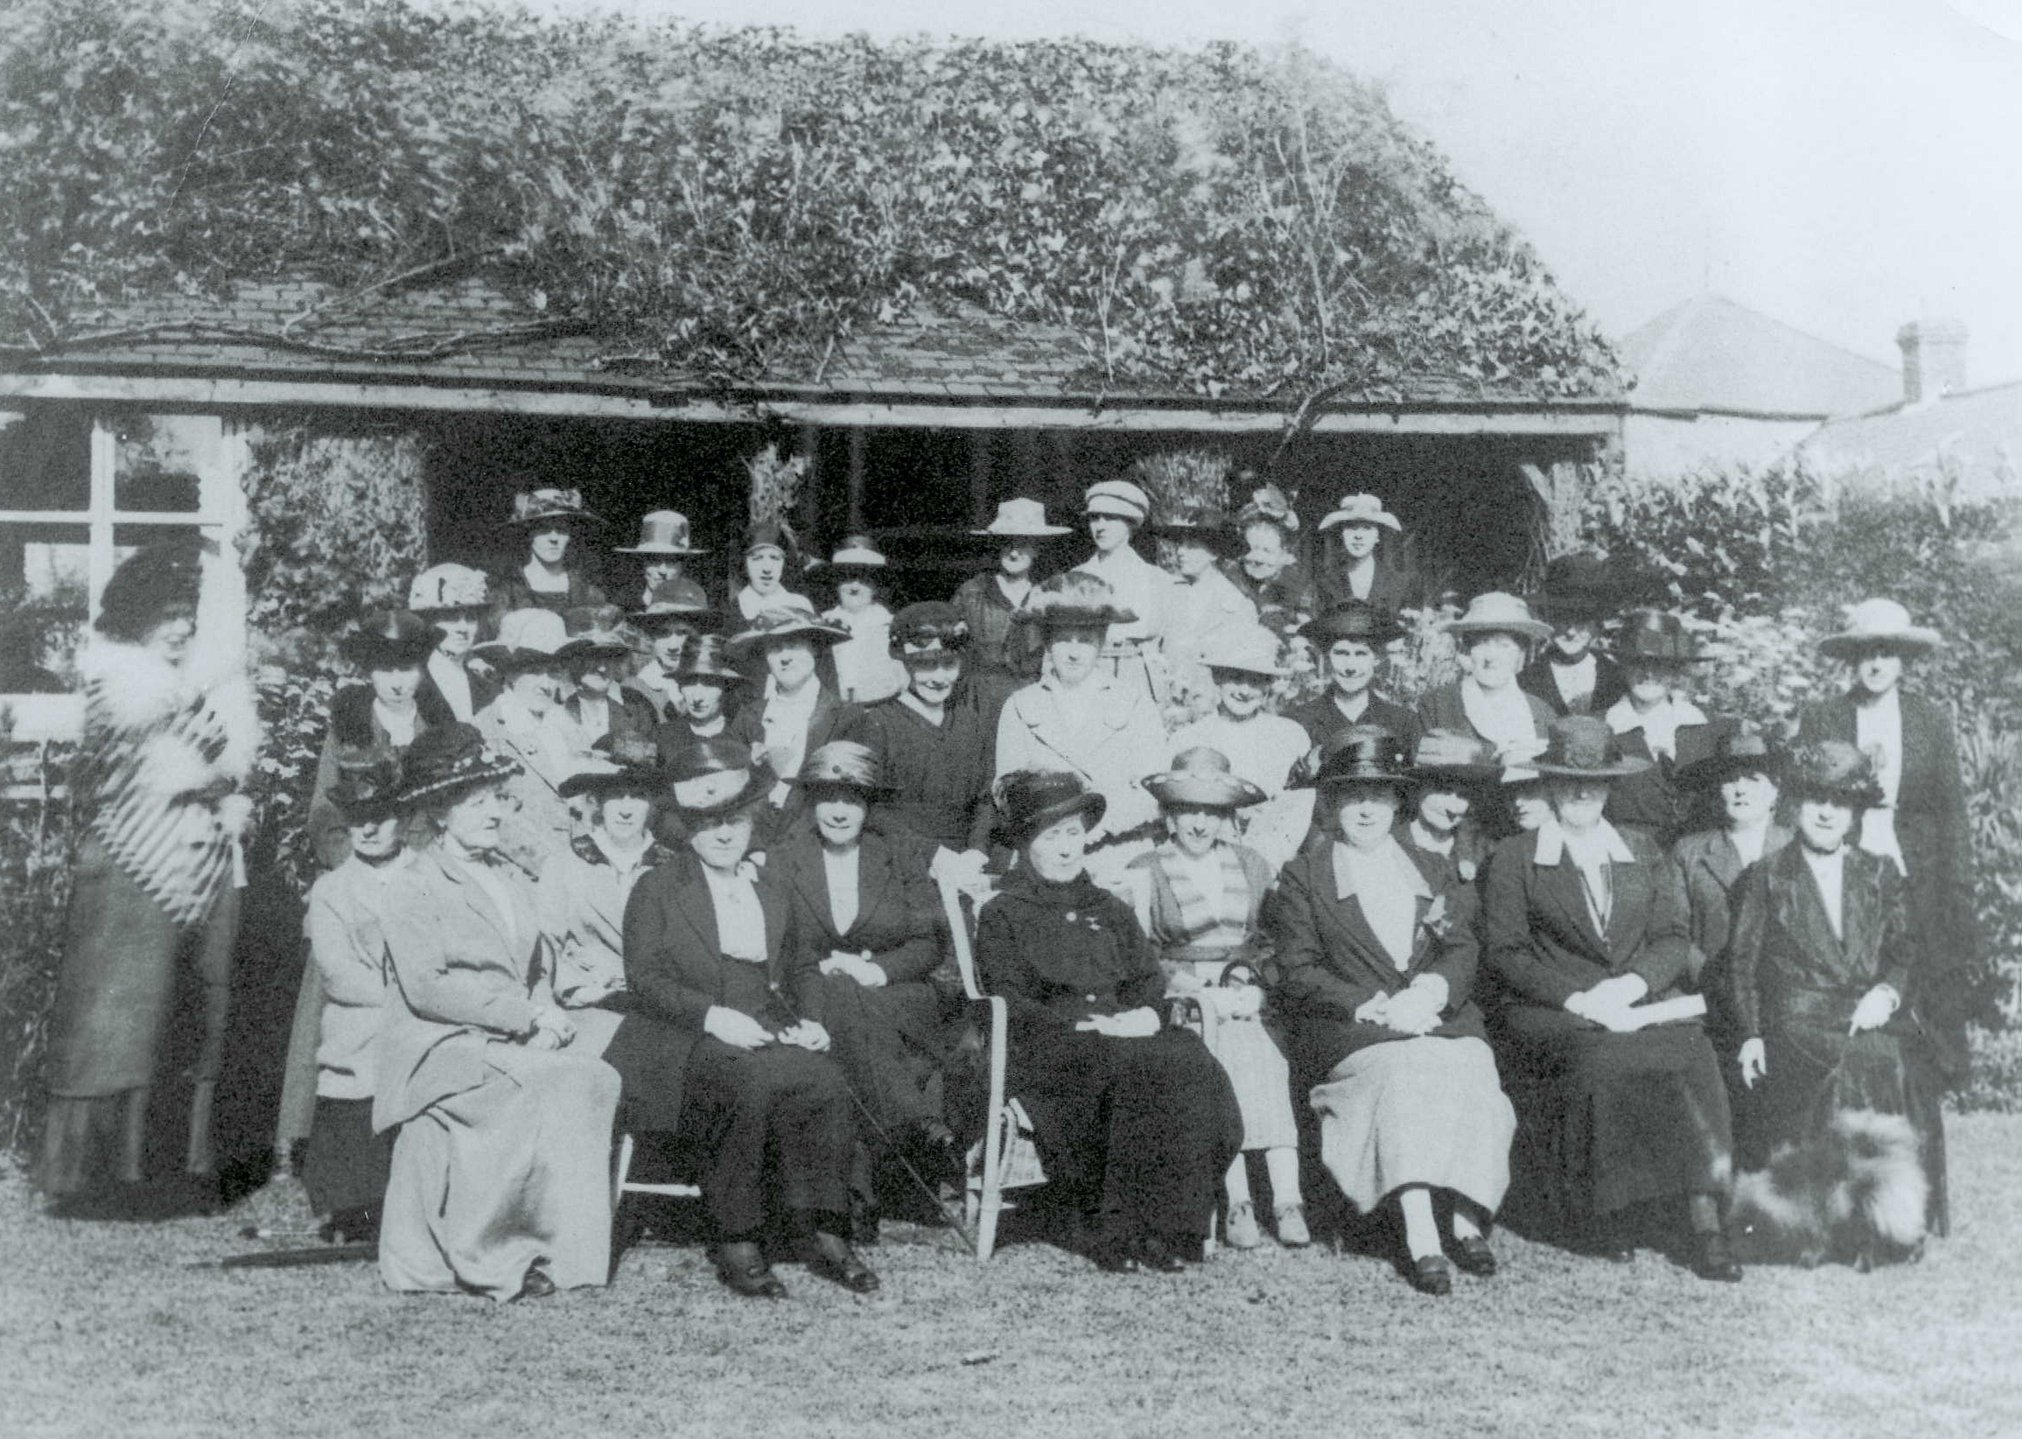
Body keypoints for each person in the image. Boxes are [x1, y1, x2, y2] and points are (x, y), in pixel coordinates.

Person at [602, 739, 875, 1298]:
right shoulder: (658, 887)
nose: (725, 834)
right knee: (745, 1079)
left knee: (823, 1079)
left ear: (752, 822)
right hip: (679, 1031)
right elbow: (646, 979)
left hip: (761, 1019)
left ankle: (825, 1228)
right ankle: (738, 1236)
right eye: (709, 824)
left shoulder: (772, 886)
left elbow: (800, 965)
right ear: (687, 829)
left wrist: (813, 1019)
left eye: (735, 821)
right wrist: (710, 1016)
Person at [38, 543, 259, 1212]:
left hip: (204, 862)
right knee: (119, 1017)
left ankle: (172, 1169)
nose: (180, 627)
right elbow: (194, 755)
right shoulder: (118, 682)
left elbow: (230, 757)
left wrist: (219, 766)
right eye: (166, 615)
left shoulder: (192, 689)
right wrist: (215, 765)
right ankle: (101, 1177)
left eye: (187, 615)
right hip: (133, 868)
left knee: (191, 1014)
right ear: (134, 619)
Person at [1480, 716, 1740, 1281]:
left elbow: (1673, 937)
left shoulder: (1642, 850)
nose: (1580, 792)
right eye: (1569, 780)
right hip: (1551, 1008)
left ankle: (1705, 1217)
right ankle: (1609, 1211)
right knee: (1602, 1055)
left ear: (1609, 786)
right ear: (1548, 784)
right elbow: (1505, 953)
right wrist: (1579, 998)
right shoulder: (1516, 858)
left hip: (1635, 998)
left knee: (1689, 1051)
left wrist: (1632, 985)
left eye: (1593, 782)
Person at [373, 723, 620, 1301]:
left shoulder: (508, 877)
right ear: (438, 812)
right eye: (475, 802)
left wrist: (542, 1004)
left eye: (495, 800)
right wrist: (524, 1019)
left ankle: (568, 1255)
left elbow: (536, 966)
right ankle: (494, 1254)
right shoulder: (411, 884)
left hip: (504, 1033)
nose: (493, 814)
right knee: (573, 1078)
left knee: (604, 1063)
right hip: (438, 1046)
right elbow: (428, 989)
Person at [1269, 727, 1516, 1294]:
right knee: (1405, 1075)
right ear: (1330, 802)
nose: (1365, 809)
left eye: (1378, 797)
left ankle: (1465, 1214)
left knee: (1469, 1064)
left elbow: (1461, 945)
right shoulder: (1305, 876)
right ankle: (1422, 1231)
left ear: (1396, 802)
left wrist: (1430, 990)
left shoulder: (1429, 869)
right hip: (1352, 1029)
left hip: (1432, 1016)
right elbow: (1298, 970)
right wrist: (1371, 1005)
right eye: (1352, 796)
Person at [973, 769, 1241, 1273]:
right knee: (1133, 1067)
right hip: (1052, 1048)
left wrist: (1145, 1013)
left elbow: (1147, 979)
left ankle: (1172, 1226)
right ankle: (1117, 1229)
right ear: (1027, 844)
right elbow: (1008, 998)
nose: (1066, 848)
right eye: (1052, 836)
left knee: (1187, 1056)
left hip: (1125, 1034)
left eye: (1073, 834)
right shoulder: (1004, 913)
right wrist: (1083, 1027)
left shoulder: (1109, 907)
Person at [1728, 741, 1948, 1241]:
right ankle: (1839, 1216)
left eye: (1841, 802)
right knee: (1860, 1059)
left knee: (1899, 1057)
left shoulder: (1880, 873)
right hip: (1797, 1016)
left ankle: (1892, 1214)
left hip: (1864, 1008)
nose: (1827, 812)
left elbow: (1906, 951)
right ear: (1796, 805)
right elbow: (1741, 964)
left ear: (1856, 812)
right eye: (1815, 799)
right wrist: (1750, 1034)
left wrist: (1887, 993)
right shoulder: (1767, 877)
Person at [772, 742, 961, 1230]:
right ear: (811, 802)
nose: (839, 811)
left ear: (869, 805)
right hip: (814, 996)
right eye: (828, 798)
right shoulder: (783, 858)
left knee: (849, 1003)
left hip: (897, 997)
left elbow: (927, 943)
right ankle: (912, 1127)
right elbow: (782, 949)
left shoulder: (896, 856)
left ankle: (857, 1198)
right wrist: (832, 974)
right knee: (839, 999)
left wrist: (873, 970)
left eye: (852, 799)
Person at [1796, 598, 1984, 1090]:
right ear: (1850, 660)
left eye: (1887, 653)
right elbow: (1803, 797)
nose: (1876, 664)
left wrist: (1957, 885)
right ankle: (1858, 1073)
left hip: (1914, 860)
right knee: (1860, 960)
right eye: (1866, 653)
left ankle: (1934, 1076)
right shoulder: (1824, 717)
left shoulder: (1929, 720)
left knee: (1924, 961)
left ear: (1904, 661)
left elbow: (1952, 812)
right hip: (1849, 855)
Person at [1126, 749, 1307, 1251]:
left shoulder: (1251, 863)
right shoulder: (1146, 868)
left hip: (1244, 991)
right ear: (1169, 814)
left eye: (1211, 811)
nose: (1199, 822)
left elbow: (1271, 939)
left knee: (1264, 1054)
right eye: (1188, 809)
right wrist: (1187, 986)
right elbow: (1141, 951)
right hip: (1184, 997)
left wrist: (1255, 984)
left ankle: (1288, 1199)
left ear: (1227, 816)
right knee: (1221, 1056)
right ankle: (1238, 1200)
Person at [299, 749, 409, 1243]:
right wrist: (400, 1000)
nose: (369, 830)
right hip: (365, 1014)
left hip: (427, 1014)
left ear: (402, 816)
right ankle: (355, 1206)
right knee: (356, 1058)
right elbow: (339, 974)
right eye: (359, 820)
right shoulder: (333, 891)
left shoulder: (429, 876)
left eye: (381, 817)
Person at [994, 571, 1170, 878]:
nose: (1074, 652)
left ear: (1101, 643)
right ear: (1048, 642)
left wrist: (1094, 830)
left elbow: (1153, 790)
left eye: (1086, 641)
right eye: (1063, 639)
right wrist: (1059, 834)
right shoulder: (1021, 706)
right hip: (1046, 857)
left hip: (1119, 854)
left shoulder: (1135, 703)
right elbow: (1006, 791)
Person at [538, 735, 672, 1058]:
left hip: (663, 1009)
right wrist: (584, 989)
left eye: (638, 797)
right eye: (616, 796)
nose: (626, 810)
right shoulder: (565, 862)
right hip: (591, 1006)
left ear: (652, 804)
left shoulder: (672, 866)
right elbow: (545, 943)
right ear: (597, 802)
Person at [856, 602, 998, 859]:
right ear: (905, 664)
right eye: (926, 665)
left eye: (949, 664)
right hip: (899, 857)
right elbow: (870, 807)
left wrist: (977, 850)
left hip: (966, 859)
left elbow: (987, 795)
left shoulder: (970, 720)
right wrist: (933, 855)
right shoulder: (878, 722)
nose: (939, 677)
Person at [1168, 625, 1312, 873]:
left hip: (1274, 864)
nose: (1245, 691)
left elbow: (1298, 809)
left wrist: (1268, 864)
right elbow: (1175, 810)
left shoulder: (1290, 736)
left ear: (1269, 685)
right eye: (1235, 678)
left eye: (1256, 681)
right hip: (1205, 862)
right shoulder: (1188, 739)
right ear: (1218, 679)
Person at [306, 608, 440, 869]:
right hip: (359, 868)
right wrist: (355, 868)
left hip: (426, 869)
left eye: (406, 668)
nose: (397, 682)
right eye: (385, 669)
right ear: (369, 671)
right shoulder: (348, 729)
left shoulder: (437, 730)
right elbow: (325, 814)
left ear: (421, 670)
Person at [1669, 722, 1792, 994]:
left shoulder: (1797, 847)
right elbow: (1673, 933)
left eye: (1753, 779)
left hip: (1785, 995)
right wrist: (1715, 981)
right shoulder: (1688, 852)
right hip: (1710, 993)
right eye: (1731, 779)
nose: (1740, 789)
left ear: (1775, 792)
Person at [725, 600, 865, 836]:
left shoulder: (846, 717)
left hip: (814, 840)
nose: (785, 657)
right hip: (753, 838)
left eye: (794, 645)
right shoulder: (749, 716)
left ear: (814, 648)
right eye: (775, 648)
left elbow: (847, 797)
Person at [471, 608, 589, 875]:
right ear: (509, 672)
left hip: (581, 872)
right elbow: (496, 816)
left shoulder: (569, 728)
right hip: (525, 873)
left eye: (554, 671)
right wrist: (554, 871)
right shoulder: (487, 730)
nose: (546, 683)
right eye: (535, 671)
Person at [1602, 610, 1710, 843]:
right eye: (1638, 663)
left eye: (1660, 664)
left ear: (1675, 670)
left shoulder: (1699, 727)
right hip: (1628, 861)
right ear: (1623, 667)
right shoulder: (1603, 728)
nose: (1649, 673)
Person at [1073, 477, 1178, 705]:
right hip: (1087, 678)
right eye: (1094, 518)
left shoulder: (1158, 580)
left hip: (1141, 681)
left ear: (1131, 523)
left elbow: (1175, 648)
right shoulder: (1075, 579)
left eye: (1110, 518)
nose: (1100, 526)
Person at [951, 498, 1063, 684]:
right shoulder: (973, 592)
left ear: (1037, 549)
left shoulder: (1049, 594)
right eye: (1007, 543)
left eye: (1023, 544)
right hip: (980, 698)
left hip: (1032, 694)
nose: (1013, 553)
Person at [1154, 510, 1258, 705]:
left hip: (1214, 707)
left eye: (1192, 546)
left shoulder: (1238, 606)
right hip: (1168, 703)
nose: (1181, 552)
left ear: (1214, 553)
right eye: (1180, 545)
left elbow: (1242, 669)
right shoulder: (1168, 595)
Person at [1287, 601, 1417, 752]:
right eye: (1341, 653)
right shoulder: (1299, 721)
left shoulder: (1403, 723)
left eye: (1361, 654)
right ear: (1326, 657)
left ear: (1377, 658)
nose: (1350, 667)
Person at [1519, 553, 1629, 719]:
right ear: (1549, 620)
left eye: (1581, 621)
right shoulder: (1527, 681)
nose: (1570, 631)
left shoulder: (1617, 679)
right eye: (1563, 619)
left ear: (1597, 625)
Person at [1397, 730, 1501, 885]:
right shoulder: (1391, 845)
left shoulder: (1485, 852)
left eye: (1464, 795)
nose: (1454, 809)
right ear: (1418, 787)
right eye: (1444, 791)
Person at [816, 535, 907, 704]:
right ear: (836, 581)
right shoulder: (822, 625)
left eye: (864, 578)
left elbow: (905, 682)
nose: (855, 587)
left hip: (882, 711)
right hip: (835, 714)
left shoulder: (892, 626)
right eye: (848, 577)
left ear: (875, 585)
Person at [493, 485, 608, 616]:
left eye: (561, 529)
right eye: (544, 529)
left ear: (570, 536)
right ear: (529, 534)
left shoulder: (588, 591)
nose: (554, 538)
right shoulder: (508, 590)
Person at [557, 604, 656, 752]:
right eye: (593, 656)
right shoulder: (556, 704)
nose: (602, 667)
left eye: (609, 656)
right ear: (573, 659)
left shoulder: (637, 706)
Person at [408, 563, 498, 724]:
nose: (462, 628)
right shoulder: (411, 684)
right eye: (451, 618)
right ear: (429, 623)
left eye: (470, 618)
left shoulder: (486, 689)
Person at [1230, 483, 1315, 637]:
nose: (1257, 559)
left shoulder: (1300, 585)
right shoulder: (1232, 580)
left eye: (1267, 551)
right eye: (1252, 549)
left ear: (1285, 553)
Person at [1313, 493, 1416, 619]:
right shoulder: (1325, 583)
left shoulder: (1398, 584)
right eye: (1351, 527)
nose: (1358, 536)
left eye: (1367, 528)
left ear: (1377, 536)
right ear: (1341, 534)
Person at [624, 587, 717, 724]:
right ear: (652, 638)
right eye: (663, 634)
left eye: (682, 633)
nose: (673, 646)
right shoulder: (641, 687)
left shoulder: (716, 680)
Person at [653, 634, 745, 770]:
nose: (697, 697)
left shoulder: (743, 735)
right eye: (689, 683)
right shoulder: (662, 737)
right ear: (679, 686)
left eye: (709, 684)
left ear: (727, 688)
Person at [613, 510, 710, 612]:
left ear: (682, 566)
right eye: (654, 560)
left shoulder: (695, 601)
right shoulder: (623, 606)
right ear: (642, 563)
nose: (662, 571)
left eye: (671, 561)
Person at [734, 518, 811, 621]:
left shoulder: (801, 605)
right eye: (757, 559)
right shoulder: (733, 612)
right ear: (744, 564)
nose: (767, 568)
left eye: (775, 558)